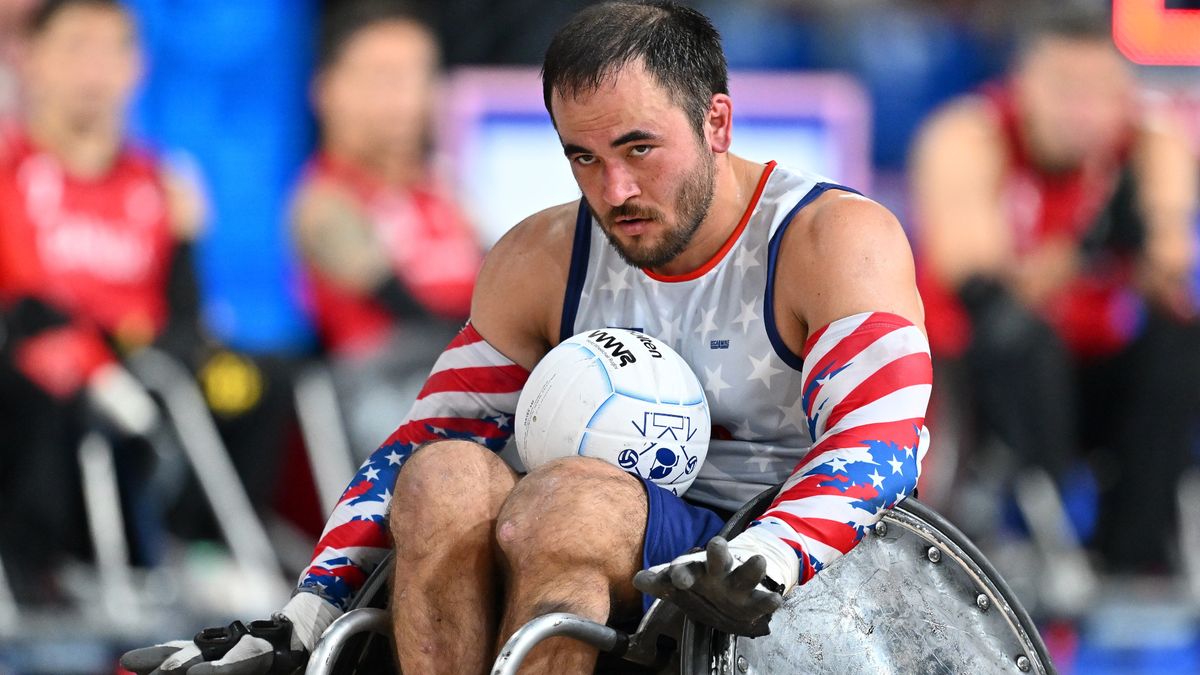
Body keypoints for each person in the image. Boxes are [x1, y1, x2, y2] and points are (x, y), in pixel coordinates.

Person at [123, 2, 932, 673]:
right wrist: (310, 606)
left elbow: (882, 444)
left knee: (561, 501)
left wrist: (775, 553)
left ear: (716, 121)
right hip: (585, 535)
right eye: (582, 157)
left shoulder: (831, 237)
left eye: (639, 148)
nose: (614, 190)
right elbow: (423, 440)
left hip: (778, 555)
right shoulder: (542, 256)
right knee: (442, 478)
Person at [0, 0, 281, 593]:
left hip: (146, 357)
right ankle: (44, 571)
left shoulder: (167, 185)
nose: (94, 72)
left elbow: (190, 315)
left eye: (112, 50)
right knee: (39, 377)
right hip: (45, 360)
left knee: (260, 379)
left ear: (138, 67)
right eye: (76, 48)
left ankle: (199, 548)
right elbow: (24, 303)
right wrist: (96, 369)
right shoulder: (11, 173)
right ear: (31, 61)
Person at [911, 6, 1200, 574]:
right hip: (986, 381)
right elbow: (976, 281)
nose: (1085, 113)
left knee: (1180, 343)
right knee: (1018, 336)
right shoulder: (969, 136)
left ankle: (1135, 550)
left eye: (1102, 94)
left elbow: (1171, 275)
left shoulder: (1149, 145)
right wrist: (1086, 248)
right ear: (1025, 88)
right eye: (1067, 91)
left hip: (1089, 371)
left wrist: (1149, 242)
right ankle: (1041, 529)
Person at [291, 0, 482, 458]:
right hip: (386, 388)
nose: (404, 98)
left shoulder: (442, 189)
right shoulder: (327, 199)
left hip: (469, 368)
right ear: (327, 90)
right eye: (383, 78)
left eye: (418, 76)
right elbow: (400, 306)